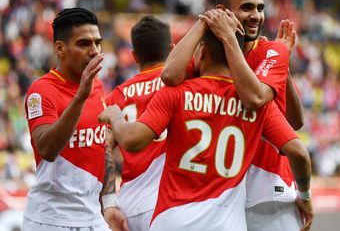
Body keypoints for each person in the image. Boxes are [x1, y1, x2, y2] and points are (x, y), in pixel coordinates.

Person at [98, 29, 313, 231]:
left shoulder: (175, 93)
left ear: (202, 51)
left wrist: (116, 117)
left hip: (172, 220)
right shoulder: (258, 106)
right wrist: (304, 196)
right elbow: (300, 153)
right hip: (225, 224)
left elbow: (131, 140)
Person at [161, 0, 308, 230]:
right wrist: (204, 22)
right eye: (247, 8)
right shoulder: (210, 53)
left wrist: (281, 68)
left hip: (267, 188)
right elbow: (169, 75)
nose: (256, 16)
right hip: (223, 195)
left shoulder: (271, 50)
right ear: (223, 12)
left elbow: (267, 106)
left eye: (260, 8)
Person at [23, 7, 110, 230]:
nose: (94, 51)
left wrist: (110, 202)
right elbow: (47, 148)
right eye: (84, 43)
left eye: (97, 43)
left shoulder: (97, 87)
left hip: (92, 218)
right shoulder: (41, 90)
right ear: (60, 49)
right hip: (51, 219)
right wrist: (80, 97)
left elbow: (103, 146)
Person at [101, 15, 172, 231]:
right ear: (172, 48)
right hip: (168, 201)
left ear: (134, 56)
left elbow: (102, 148)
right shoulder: (181, 84)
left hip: (128, 205)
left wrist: (109, 203)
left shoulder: (116, 96)